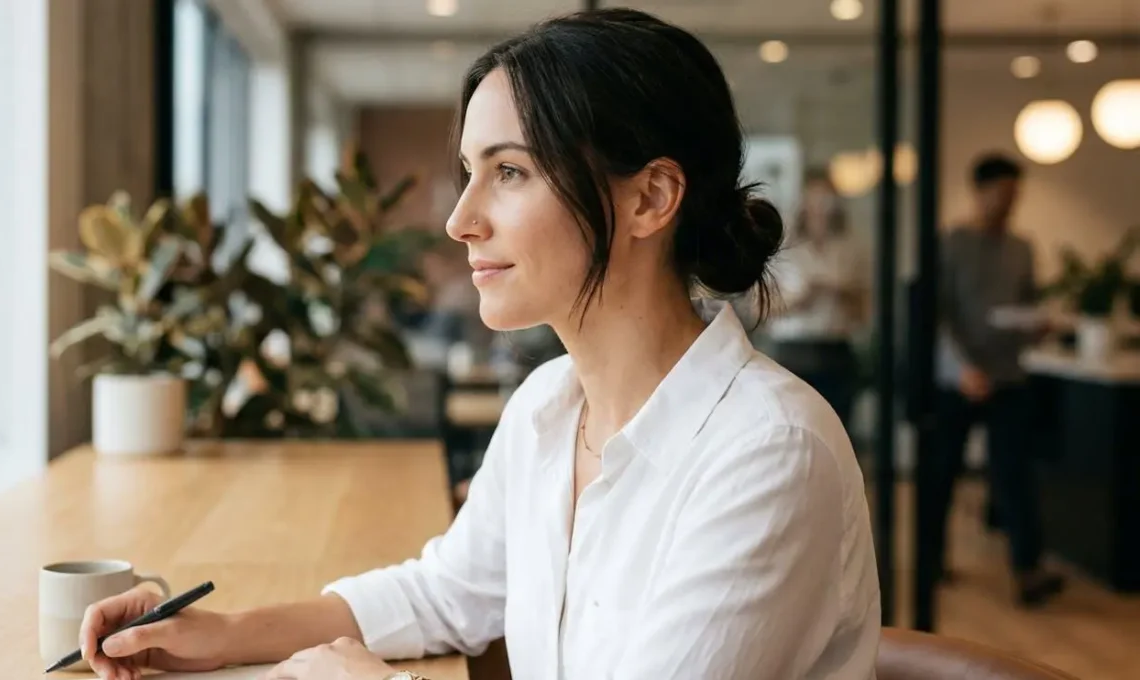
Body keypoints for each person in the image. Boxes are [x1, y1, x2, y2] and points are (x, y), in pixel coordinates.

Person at [79, 10, 880, 680]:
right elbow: (443, 592)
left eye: (510, 172)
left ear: (650, 198)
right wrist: (222, 634)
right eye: (469, 171)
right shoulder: (547, 407)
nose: (460, 219)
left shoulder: (769, 454)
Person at [926, 152, 1063, 607]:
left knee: (1015, 474)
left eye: (1014, 196)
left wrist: (1038, 324)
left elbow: (1029, 304)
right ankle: (930, 562)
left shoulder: (1022, 248)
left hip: (1007, 376)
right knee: (942, 472)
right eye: (1002, 194)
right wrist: (961, 368)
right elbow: (937, 315)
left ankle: (1028, 570)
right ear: (979, 192)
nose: (1008, 204)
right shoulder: (952, 244)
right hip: (958, 377)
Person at [766, 168, 868, 433]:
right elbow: (760, 310)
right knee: (793, 428)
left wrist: (841, 292)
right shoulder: (783, 248)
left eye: (828, 198)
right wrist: (802, 297)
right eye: (816, 197)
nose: (822, 205)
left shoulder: (849, 247)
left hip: (836, 348)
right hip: (794, 350)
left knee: (838, 430)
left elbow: (863, 310)